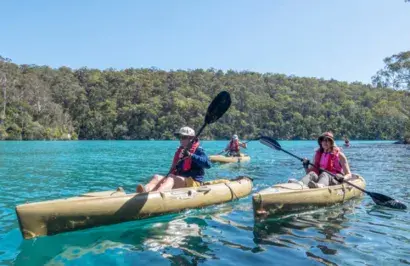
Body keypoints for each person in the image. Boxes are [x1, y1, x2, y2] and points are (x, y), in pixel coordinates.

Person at [136, 126, 211, 193]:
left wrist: (190, 155)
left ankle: (157, 195)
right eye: (180, 137)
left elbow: (208, 164)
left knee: (172, 178)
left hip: (193, 182)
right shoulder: (180, 151)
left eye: (184, 137)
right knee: (157, 177)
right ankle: (145, 191)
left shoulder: (198, 150)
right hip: (179, 180)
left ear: (191, 139)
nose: (181, 140)